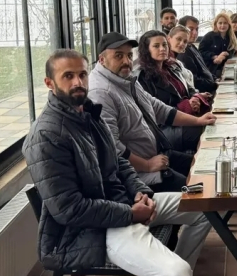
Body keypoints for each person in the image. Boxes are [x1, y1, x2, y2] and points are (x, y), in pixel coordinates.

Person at [25, 49, 213, 276]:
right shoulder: (46, 136)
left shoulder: (88, 113)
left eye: (82, 74)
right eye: (68, 76)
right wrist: (130, 214)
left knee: (206, 208)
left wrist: (141, 192)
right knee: (177, 274)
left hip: (124, 203)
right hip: (91, 229)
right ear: (50, 83)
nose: (78, 82)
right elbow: (69, 210)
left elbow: (120, 162)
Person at [88, 33, 216, 186]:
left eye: (129, 55)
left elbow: (158, 108)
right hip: (140, 174)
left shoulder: (126, 79)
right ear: (102, 59)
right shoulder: (100, 93)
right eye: (118, 56)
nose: (126, 61)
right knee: (200, 188)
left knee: (207, 168)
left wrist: (198, 120)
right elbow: (111, 146)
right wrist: (147, 165)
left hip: (159, 154)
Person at [136, 30, 209, 153]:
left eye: (164, 45)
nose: (162, 49)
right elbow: (153, 112)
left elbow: (188, 89)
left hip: (185, 118)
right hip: (164, 129)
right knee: (205, 132)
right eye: (156, 46)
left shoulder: (172, 67)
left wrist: (194, 98)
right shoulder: (143, 77)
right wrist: (185, 106)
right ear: (146, 50)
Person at [167, 24, 214, 97]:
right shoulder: (167, 62)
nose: (182, 43)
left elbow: (187, 88)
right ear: (169, 39)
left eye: (185, 41)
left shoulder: (177, 61)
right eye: (178, 39)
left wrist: (198, 95)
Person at [177, 15, 218, 94]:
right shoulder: (183, 52)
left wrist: (215, 79)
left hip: (210, 87)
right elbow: (194, 80)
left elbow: (204, 69)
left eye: (196, 29)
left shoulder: (192, 46)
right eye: (191, 29)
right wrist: (214, 84)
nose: (195, 33)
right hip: (202, 94)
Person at [199, 13, 237, 79]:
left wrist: (226, 54)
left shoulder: (230, 37)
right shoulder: (209, 36)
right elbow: (200, 52)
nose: (222, 25)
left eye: (225, 23)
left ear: (229, 25)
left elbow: (232, 51)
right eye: (220, 23)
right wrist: (214, 57)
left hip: (225, 69)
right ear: (216, 24)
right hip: (211, 70)